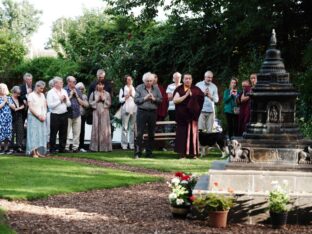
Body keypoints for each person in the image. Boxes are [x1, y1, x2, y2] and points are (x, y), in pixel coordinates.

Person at [173, 74, 204, 158]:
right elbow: (175, 101)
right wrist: (186, 95)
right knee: (182, 134)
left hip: (193, 115)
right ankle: (182, 154)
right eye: (186, 78)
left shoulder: (196, 89)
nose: (188, 80)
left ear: (192, 80)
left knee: (193, 134)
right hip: (182, 116)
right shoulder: (179, 89)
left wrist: (194, 97)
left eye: (189, 78)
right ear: (183, 80)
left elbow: (201, 99)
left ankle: (193, 153)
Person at [134, 72, 163, 159]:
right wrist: (145, 98)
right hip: (142, 112)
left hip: (152, 112)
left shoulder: (156, 88)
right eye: (147, 81)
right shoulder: (139, 88)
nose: (149, 82)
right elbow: (136, 100)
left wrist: (154, 99)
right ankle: (138, 153)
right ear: (144, 81)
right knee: (139, 133)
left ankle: (149, 153)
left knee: (151, 133)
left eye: (151, 81)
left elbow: (161, 100)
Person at [47, 77, 71, 153]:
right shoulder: (50, 92)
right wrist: (60, 100)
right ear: (55, 84)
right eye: (60, 82)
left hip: (64, 113)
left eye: (62, 82)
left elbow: (69, 104)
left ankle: (62, 148)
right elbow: (50, 106)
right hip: (55, 115)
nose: (62, 83)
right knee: (53, 132)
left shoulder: (64, 91)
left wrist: (65, 100)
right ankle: (52, 149)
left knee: (64, 132)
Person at [26, 81, 48, 157]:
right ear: (36, 87)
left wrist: (44, 115)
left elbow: (45, 106)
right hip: (33, 117)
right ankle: (33, 152)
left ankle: (39, 152)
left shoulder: (42, 95)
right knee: (34, 134)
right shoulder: (31, 95)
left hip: (42, 117)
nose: (42, 90)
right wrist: (38, 116)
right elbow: (30, 107)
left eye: (43, 88)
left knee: (41, 134)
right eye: (41, 88)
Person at [89, 81, 112, 152]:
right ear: (97, 86)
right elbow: (90, 103)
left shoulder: (107, 94)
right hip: (96, 111)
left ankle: (105, 148)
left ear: (103, 86)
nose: (100, 86)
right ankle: (94, 148)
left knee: (104, 129)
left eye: (101, 85)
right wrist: (97, 100)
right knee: (96, 127)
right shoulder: (93, 93)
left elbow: (110, 103)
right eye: (99, 85)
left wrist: (103, 99)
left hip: (105, 112)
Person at [65, 76, 84, 153]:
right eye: (74, 82)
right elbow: (63, 102)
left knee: (77, 132)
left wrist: (76, 95)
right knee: (66, 131)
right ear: (69, 82)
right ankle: (66, 147)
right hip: (67, 114)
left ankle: (75, 148)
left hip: (77, 113)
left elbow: (81, 102)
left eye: (75, 82)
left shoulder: (78, 91)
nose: (75, 83)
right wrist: (70, 94)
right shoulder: (64, 90)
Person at [119, 75, 136, 150]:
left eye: (131, 79)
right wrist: (126, 96)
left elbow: (136, 98)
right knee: (125, 127)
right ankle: (124, 144)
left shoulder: (134, 88)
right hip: (125, 109)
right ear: (126, 81)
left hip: (134, 109)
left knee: (132, 128)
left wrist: (132, 95)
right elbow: (120, 100)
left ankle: (132, 144)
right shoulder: (122, 88)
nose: (130, 80)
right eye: (128, 79)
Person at [10, 86, 25, 153]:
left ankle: (19, 147)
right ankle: (11, 147)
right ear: (13, 92)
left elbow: (23, 106)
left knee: (20, 132)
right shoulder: (9, 98)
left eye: (19, 93)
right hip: (12, 117)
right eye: (17, 93)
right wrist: (19, 108)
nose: (18, 95)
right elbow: (14, 108)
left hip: (19, 117)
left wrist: (18, 108)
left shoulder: (20, 98)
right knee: (12, 132)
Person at [0, 83, 14, 154]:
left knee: (7, 134)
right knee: (0, 132)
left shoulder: (9, 98)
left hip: (8, 118)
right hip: (1, 118)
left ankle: (6, 148)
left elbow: (14, 107)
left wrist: (7, 102)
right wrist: (4, 101)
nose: (2, 90)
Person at [75, 82, 89, 152]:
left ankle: (81, 146)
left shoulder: (84, 96)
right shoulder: (74, 95)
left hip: (82, 115)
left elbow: (86, 105)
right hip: (74, 115)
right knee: (75, 131)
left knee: (82, 131)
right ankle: (74, 146)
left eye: (82, 89)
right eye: (79, 89)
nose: (81, 90)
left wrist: (80, 102)